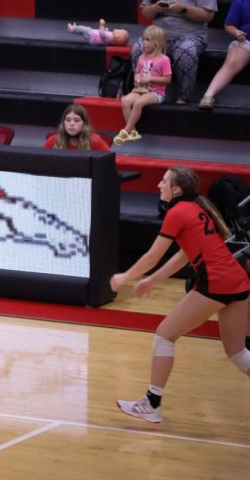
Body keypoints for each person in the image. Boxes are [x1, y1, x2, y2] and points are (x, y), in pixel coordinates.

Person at [110, 166, 250, 423]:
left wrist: (124, 277)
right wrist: (152, 281)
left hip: (216, 284)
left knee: (164, 335)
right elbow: (182, 255)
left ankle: (152, 404)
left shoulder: (178, 212)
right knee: (238, 353)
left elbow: (152, 255)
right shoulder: (196, 208)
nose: (158, 185)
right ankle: (151, 405)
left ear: (177, 189)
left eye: (164, 181)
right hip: (238, 280)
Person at [131, 0, 216, 104]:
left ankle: (183, 97)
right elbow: (145, 11)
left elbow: (208, 15)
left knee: (186, 51)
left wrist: (183, 9)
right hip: (160, 35)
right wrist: (156, 8)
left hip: (190, 35)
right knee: (137, 48)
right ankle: (144, 89)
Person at [115, 26, 171, 145]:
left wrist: (151, 78)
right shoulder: (141, 57)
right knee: (125, 100)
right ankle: (133, 132)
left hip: (156, 93)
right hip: (140, 89)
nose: (143, 42)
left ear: (157, 42)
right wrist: (137, 77)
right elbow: (137, 72)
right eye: (143, 39)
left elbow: (167, 79)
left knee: (139, 103)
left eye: (147, 39)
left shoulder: (164, 60)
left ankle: (126, 131)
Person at [198, 0, 250, 110]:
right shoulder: (241, 1)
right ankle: (208, 96)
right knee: (231, 63)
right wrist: (236, 32)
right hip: (246, 40)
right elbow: (229, 25)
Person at [43, 104, 110, 151]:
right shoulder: (53, 140)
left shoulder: (96, 141)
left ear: (84, 124)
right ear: (63, 123)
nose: (71, 124)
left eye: (76, 120)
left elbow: (108, 165)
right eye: (68, 120)